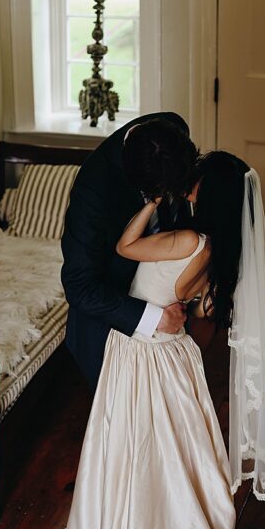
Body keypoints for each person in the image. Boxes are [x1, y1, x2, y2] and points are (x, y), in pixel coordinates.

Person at [37, 150, 265, 529]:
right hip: (174, 354)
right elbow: (192, 303)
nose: (187, 186)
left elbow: (126, 249)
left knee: (133, 454)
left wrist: (149, 203)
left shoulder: (185, 238)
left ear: (203, 192)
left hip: (139, 353)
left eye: (195, 182)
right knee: (172, 453)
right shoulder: (214, 248)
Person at [60, 112, 198, 390]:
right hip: (111, 319)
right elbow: (79, 286)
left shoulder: (173, 129)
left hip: (171, 305)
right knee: (126, 422)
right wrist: (155, 317)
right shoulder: (92, 193)